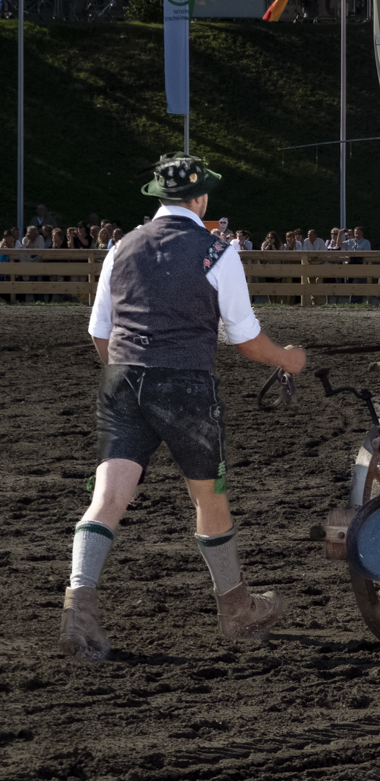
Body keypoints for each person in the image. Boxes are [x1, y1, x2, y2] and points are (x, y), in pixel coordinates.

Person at [60, 153, 306, 663]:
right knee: (209, 498)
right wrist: (288, 359)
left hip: (123, 381)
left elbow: (98, 332)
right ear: (202, 198)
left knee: (108, 498)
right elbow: (245, 339)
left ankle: (78, 607)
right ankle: (236, 608)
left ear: (157, 197)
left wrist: (128, 370)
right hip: (186, 389)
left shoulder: (121, 247)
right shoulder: (217, 250)